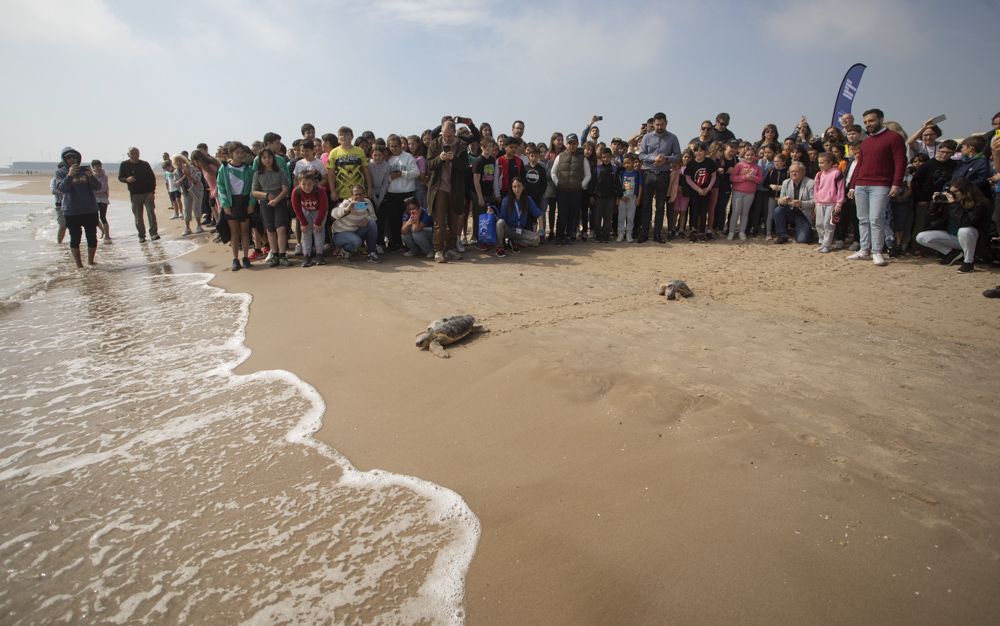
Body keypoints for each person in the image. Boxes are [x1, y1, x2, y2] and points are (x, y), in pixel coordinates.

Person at [846, 108, 907, 266]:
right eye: (865, 122)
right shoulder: (866, 142)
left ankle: (877, 251)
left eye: (871, 121)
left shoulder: (894, 138)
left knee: (876, 219)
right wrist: (852, 186)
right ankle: (864, 249)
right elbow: (859, 165)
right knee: (863, 219)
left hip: (880, 185)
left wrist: (896, 183)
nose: (868, 124)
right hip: (861, 185)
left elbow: (900, 162)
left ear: (880, 119)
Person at [915, 178, 989, 273]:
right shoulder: (950, 202)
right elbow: (931, 217)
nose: (953, 195)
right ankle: (952, 253)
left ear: (966, 191)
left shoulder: (979, 203)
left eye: (956, 192)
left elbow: (966, 222)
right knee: (921, 237)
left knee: (964, 230)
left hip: (973, 240)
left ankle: (968, 262)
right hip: (954, 237)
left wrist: (954, 205)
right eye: (950, 192)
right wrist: (934, 203)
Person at [427, 119, 475, 263]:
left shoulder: (461, 145)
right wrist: (439, 159)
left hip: (455, 189)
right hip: (439, 188)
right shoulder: (434, 144)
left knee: (454, 222)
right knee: (439, 222)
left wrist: (454, 159)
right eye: (444, 135)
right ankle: (438, 251)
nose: (446, 139)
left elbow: (465, 167)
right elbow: (429, 165)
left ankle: (451, 249)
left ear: (454, 132)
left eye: (449, 135)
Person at [637, 112, 682, 242]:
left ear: (666, 123)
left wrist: (666, 159)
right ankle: (644, 234)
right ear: (653, 124)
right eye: (657, 124)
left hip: (664, 174)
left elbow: (678, 155)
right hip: (648, 174)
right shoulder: (646, 137)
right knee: (646, 205)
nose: (659, 127)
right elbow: (641, 155)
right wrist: (653, 159)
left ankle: (657, 234)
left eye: (662, 124)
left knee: (661, 205)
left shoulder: (673, 138)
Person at [54, 147, 101, 268]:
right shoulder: (60, 172)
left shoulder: (85, 170)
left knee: (92, 237)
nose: (71, 159)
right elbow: (62, 189)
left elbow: (98, 187)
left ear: (78, 158)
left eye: (74, 157)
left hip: (90, 209)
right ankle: (79, 265)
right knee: (75, 238)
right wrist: (69, 175)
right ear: (64, 159)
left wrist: (91, 176)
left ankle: (90, 261)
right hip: (72, 211)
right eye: (68, 157)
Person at [217, 141, 255, 271]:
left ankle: (245, 257)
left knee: (245, 231)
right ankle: (235, 259)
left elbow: (252, 188)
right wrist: (225, 205)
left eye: (242, 152)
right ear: (231, 154)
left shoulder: (248, 169)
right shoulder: (224, 168)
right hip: (231, 203)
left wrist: (251, 204)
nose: (240, 155)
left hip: (244, 201)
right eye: (237, 152)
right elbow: (221, 187)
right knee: (234, 232)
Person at [251, 148, 292, 267]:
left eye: (269, 157)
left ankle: (282, 254)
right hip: (265, 203)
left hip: (280, 201)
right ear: (260, 160)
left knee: (281, 228)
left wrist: (276, 199)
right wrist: (267, 196)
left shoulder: (280, 171)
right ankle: (274, 254)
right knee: (270, 229)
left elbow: (285, 188)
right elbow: (254, 192)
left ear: (273, 158)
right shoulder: (258, 173)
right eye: (264, 157)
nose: (267, 160)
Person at [550, 133, 591, 246]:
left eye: (574, 143)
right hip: (562, 191)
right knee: (562, 214)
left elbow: (588, 175)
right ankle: (559, 237)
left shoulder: (583, 158)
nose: (572, 145)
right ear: (566, 144)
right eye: (569, 143)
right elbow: (553, 172)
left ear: (577, 144)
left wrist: (581, 185)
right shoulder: (560, 156)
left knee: (573, 215)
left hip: (576, 191)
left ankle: (569, 236)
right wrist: (558, 183)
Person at [492, 177, 543, 257]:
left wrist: (541, 230)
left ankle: (514, 242)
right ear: (511, 188)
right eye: (514, 186)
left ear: (523, 187)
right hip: (508, 230)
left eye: (519, 186)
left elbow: (539, 215)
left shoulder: (528, 199)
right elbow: (502, 218)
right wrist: (492, 214)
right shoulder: (506, 200)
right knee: (500, 222)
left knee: (536, 239)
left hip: (520, 231)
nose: (517, 189)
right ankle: (500, 247)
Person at [118, 147, 160, 242]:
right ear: (128, 154)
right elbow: (120, 177)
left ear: (139, 154)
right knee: (138, 216)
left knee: (151, 213)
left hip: (147, 193)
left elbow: (152, 178)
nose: (134, 155)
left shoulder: (144, 164)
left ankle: (154, 234)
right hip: (134, 194)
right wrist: (127, 179)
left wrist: (152, 192)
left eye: (136, 153)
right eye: (132, 153)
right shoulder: (124, 164)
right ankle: (141, 236)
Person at [331, 184, 381, 263]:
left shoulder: (366, 203)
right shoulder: (347, 202)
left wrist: (367, 219)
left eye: (361, 194)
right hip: (340, 233)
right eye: (356, 194)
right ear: (352, 195)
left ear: (364, 194)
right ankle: (344, 251)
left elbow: (373, 216)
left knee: (372, 224)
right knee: (356, 241)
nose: (359, 196)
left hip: (355, 231)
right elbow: (334, 214)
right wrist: (347, 209)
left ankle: (372, 253)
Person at [290, 169, 329, 267]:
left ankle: (319, 254)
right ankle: (306, 255)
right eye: (304, 184)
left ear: (314, 183)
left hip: (319, 210)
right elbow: (296, 207)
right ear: (299, 183)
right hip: (305, 210)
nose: (307, 187)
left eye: (309, 184)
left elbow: (324, 207)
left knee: (318, 231)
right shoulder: (296, 191)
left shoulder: (320, 190)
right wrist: (303, 222)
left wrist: (318, 222)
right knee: (306, 231)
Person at [773, 162, 815, 244]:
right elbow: (780, 200)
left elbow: (814, 202)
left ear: (803, 172)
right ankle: (782, 235)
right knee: (778, 210)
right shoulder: (786, 182)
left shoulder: (811, 183)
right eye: (792, 172)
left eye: (796, 171)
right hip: (790, 211)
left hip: (803, 214)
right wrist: (782, 201)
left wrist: (801, 203)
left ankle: (806, 231)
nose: (793, 173)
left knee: (802, 240)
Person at [327, 126, 372, 203]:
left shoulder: (360, 151)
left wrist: (370, 187)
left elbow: (366, 170)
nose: (343, 137)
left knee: (360, 213)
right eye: (341, 135)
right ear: (338, 137)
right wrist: (333, 191)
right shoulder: (333, 152)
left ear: (352, 137)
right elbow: (330, 174)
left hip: (359, 194)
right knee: (344, 213)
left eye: (346, 134)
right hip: (341, 194)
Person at [812, 153, 846, 252]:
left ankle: (827, 244)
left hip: (832, 203)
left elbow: (840, 189)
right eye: (819, 163)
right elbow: (816, 189)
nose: (820, 165)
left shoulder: (837, 173)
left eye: (822, 163)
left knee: (828, 224)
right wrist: (816, 202)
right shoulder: (819, 174)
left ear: (830, 163)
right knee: (819, 223)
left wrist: (839, 203)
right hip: (820, 203)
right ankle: (822, 242)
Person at [683, 142, 717, 242]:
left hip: (706, 192)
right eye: (696, 150)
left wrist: (708, 189)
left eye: (701, 150)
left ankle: (702, 232)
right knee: (694, 211)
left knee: (703, 212)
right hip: (695, 192)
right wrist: (698, 189)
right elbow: (688, 179)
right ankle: (694, 231)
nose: (699, 153)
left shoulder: (710, 162)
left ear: (705, 151)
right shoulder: (691, 164)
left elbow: (714, 176)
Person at [728, 145, 763, 240]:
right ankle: (731, 231)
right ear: (744, 155)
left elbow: (760, 180)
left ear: (755, 156)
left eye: (752, 155)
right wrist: (744, 177)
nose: (749, 157)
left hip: (750, 193)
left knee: (745, 213)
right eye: (747, 155)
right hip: (738, 192)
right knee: (736, 212)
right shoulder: (739, 165)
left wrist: (754, 178)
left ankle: (742, 231)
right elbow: (732, 178)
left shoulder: (757, 167)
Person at [591, 150, 622, 243]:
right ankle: (598, 235)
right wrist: (591, 195)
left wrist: (619, 196)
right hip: (599, 197)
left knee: (608, 217)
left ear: (611, 157)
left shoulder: (614, 169)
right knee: (597, 217)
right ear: (601, 158)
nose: (606, 159)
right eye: (604, 157)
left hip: (610, 197)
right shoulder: (597, 169)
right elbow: (593, 183)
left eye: (608, 157)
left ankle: (606, 235)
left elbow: (617, 183)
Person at [172, 154, 205, 237]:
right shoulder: (176, 172)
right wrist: (184, 176)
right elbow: (176, 184)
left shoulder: (192, 168)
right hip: (186, 192)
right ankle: (187, 228)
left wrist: (188, 175)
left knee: (196, 208)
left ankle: (199, 225)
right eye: (177, 161)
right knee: (187, 209)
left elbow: (196, 180)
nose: (179, 163)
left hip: (196, 190)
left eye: (181, 160)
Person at [617, 154, 643, 243]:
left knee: (630, 217)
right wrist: (619, 197)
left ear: (633, 162)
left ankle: (629, 233)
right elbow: (618, 186)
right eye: (625, 163)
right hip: (622, 198)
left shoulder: (637, 174)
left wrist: (638, 198)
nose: (626, 165)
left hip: (632, 198)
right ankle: (620, 233)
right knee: (621, 216)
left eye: (628, 162)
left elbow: (640, 186)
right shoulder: (621, 173)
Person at [91, 159, 111, 243]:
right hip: (94, 199)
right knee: (94, 217)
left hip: (103, 199)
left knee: (103, 217)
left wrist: (99, 192)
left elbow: (103, 187)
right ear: (93, 168)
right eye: (95, 167)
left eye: (99, 166)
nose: (97, 168)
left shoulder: (104, 176)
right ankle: (102, 231)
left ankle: (107, 235)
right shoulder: (91, 176)